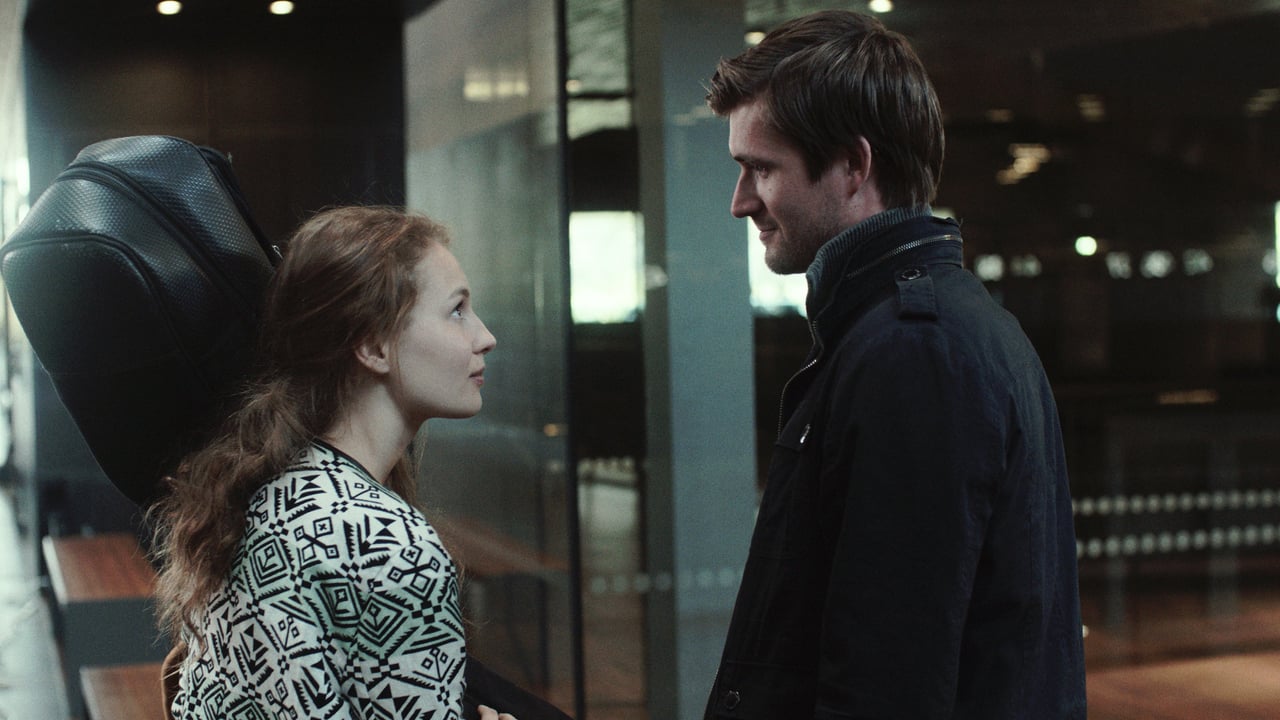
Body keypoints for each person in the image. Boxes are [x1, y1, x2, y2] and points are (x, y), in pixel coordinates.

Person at [702, 10, 1086, 719]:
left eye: (761, 168)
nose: (740, 202)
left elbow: (886, 681)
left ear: (854, 166)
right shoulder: (924, 330)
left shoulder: (916, 352)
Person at [147, 206, 514, 719]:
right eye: (457, 310)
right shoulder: (390, 546)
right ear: (373, 345)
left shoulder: (262, 489)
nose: (484, 336)